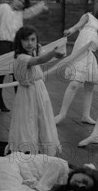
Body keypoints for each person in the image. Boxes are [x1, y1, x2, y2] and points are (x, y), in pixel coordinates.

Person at [0, 0, 48, 112]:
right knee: (1, 71)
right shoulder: (3, 7)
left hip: (15, 45)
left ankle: (20, 98)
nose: (20, 3)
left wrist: (42, 5)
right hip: (2, 43)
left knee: (16, 71)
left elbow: (33, 11)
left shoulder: (20, 13)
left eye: (23, 3)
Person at [7, 26, 64, 157]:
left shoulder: (30, 53)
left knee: (40, 118)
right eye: (25, 40)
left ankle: (38, 146)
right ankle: (28, 148)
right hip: (29, 93)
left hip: (38, 90)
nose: (30, 43)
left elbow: (38, 56)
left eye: (33, 39)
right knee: (29, 119)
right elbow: (39, 60)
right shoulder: (21, 57)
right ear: (19, 42)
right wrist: (53, 53)